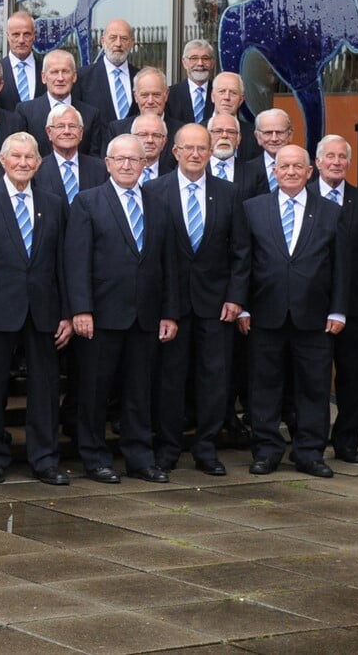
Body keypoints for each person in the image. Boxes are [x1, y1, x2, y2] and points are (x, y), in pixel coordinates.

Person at [232, 146, 348, 478]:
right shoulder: (253, 209)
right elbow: (243, 261)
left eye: (299, 166)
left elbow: (342, 266)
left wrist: (339, 310)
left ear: (310, 171)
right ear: (275, 171)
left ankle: (310, 452)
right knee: (264, 387)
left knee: (314, 387)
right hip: (264, 315)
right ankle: (266, 451)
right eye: (285, 166)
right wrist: (241, 306)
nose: (292, 172)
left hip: (315, 316)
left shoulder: (330, 211)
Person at [0, 132, 70, 485]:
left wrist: (67, 313)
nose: (23, 163)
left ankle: (44, 458)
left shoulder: (54, 203)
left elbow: (61, 262)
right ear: (3, 161)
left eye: (30, 158)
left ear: (39, 164)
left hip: (43, 310)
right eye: (17, 157)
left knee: (44, 387)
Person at [65, 134, 171, 484]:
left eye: (134, 159)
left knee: (140, 391)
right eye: (120, 159)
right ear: (107, 163)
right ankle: (95, 457)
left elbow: (167, 264)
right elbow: (76, 260)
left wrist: (169, 312)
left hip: (145, 315)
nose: (127, 165)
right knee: (95, 391)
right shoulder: (87, 202)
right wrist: (81, 309)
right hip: (101, 316)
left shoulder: (158, 203)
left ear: (145, 164)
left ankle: (140, 458)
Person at [147, 123, 244, 476]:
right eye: (187, 148)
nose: (195, 154)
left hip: (216, 306)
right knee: (170, 380)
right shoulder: (153, 192)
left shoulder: (229, 193)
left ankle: (206, 448)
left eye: (201, 148)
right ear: (174, 152)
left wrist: (236, 297)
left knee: (214, 380)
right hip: (169, 306)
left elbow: (241, 252)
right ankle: (168, 448)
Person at [311, 134, 358, 464]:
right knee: (313, 378)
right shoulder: (302, 195)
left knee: (352, 378)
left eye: (343, 157)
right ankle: (311, 442)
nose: (337, 162)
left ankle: (348, 442)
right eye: (330, 156)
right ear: (317, 162)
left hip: (354, 307)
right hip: (310, 304)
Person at [19, 50, 102, 157]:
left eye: (65, 71)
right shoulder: (25, 112)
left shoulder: (91, 114)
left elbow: (94, 158)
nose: (60, 78)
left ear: (74, 76)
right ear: (44, 77)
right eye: (54, 72)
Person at [34, 103, 105, 205]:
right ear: (49, 132)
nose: (67, 131)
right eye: (60, 126)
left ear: (81, 133)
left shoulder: (100, 169)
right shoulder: (37, 170)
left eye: (72, 126)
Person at [75, 17, 138, 125]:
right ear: (103, 41)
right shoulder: (82, 77)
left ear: (132, 43)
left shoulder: (140, 77)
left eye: (124, 38)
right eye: (113, 38)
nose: (118, 44)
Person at [165, 39, 219, 128]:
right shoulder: (170, 94)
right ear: (184, 62)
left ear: (212, 63)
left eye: (205, 58)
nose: (200, 63)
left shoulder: (220, 93)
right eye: (194, 58)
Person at [0, 10, 42, 112]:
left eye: (26, 34)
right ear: (8, 36)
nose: (21, 40)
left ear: (34, 36)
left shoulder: (46, 70)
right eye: (16, 34)